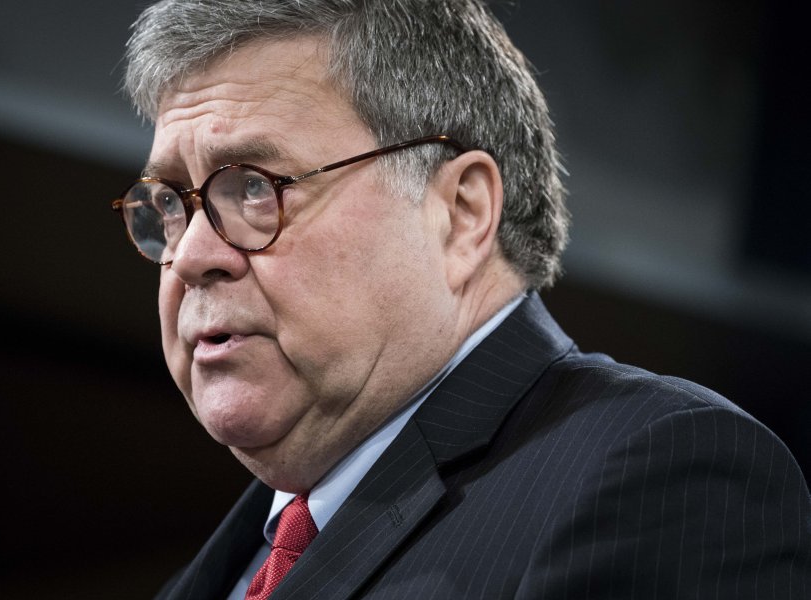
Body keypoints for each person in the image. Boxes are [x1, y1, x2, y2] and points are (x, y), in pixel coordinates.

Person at [111, 1, 811, 598]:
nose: (193, 255)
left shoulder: (666, 479)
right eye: (172, 202)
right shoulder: (241, 556)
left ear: (461, 211)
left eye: (255, 186)